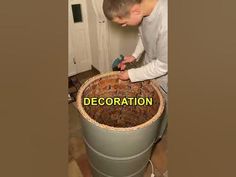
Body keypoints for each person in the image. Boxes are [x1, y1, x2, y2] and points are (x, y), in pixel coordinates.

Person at [103, 0, 168, 139]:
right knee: (147, 103)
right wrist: (134, 55)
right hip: (152, 64)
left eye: (123, 23)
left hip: (166, 75)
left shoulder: (167, 22)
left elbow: (163, 65)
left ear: (135, 10)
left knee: (160, 112)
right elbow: (143, 35)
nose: (124, 26)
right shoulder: (143, 9)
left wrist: (130, 74)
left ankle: (153, 139)